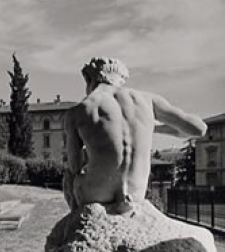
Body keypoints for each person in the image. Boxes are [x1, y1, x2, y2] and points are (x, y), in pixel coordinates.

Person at [64, 57, 207, 213]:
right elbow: (199, 129)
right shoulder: (147, 99)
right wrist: (153, 127)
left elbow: (74, 166)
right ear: (119, 79)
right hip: (135, 191)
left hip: (96, 192)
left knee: (69, 177)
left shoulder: (78, 111)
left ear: (89, 79)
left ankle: (75, 219)